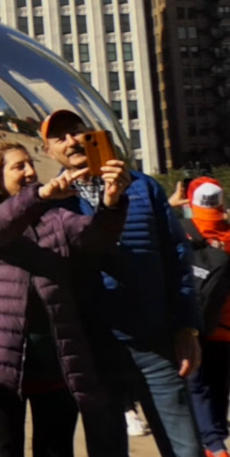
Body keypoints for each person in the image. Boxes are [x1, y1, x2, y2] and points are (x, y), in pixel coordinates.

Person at [42, 109, 202, 457]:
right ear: (48, 152)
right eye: (60, 138)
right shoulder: (53, 201)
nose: (72, 141)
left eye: (77, 131)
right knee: (107, 448)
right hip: (93, 347)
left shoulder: (144, 187)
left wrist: (187, 328)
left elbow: (178, 256)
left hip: (155, 341)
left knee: (185, 447)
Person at [0, 140, 130, 457]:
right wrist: (38, 196)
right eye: (18, 166)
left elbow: (97, 241)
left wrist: (111, 202)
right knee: (3, 447)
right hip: (1, 356)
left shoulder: (55, 219)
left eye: (30, 164)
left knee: (55, 448)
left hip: (54, 356)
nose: (29, 171)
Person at [181, 177, 230, 457]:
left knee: (197, 388)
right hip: (225, 328)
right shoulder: (228, 236)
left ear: (191, 202)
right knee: (218, 384)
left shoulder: (183, 231)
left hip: (194, 326)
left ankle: (213, 446)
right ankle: (218, 438)